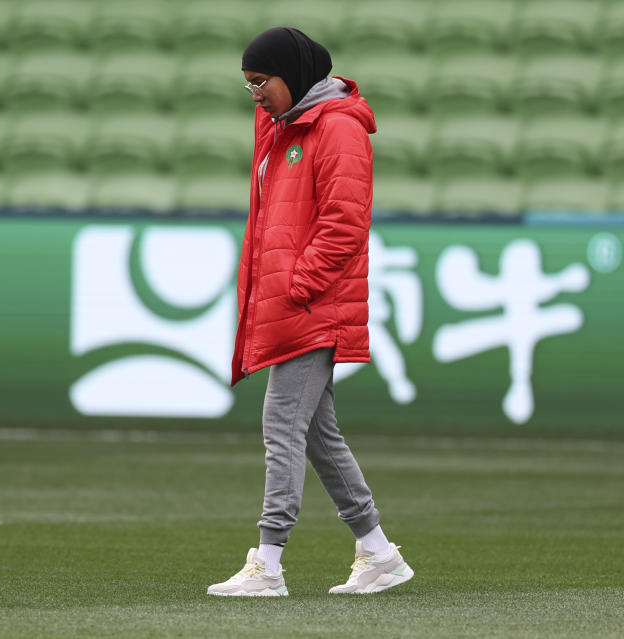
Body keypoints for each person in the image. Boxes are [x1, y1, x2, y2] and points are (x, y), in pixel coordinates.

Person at [206, 27, 414, 597]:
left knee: (281, 426)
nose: (254, 93)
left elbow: (345, 221)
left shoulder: (337, 128)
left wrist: (299, 286)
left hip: (312, 306)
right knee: (318, 435)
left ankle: (268, 563)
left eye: (259, 81)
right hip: (295, 304)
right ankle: (379, 554)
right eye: (247, 84)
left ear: (291, 75)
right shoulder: (283, 125)